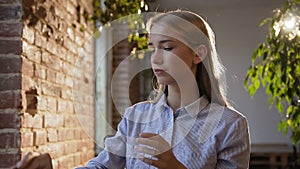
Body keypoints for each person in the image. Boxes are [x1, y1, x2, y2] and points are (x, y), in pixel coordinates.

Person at [13, 9, 250, 169]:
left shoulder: (230, 125)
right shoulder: (136, 116)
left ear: (198, 53)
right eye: (152, 48)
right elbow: (103, 166)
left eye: (167, 48)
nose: (155, 59)